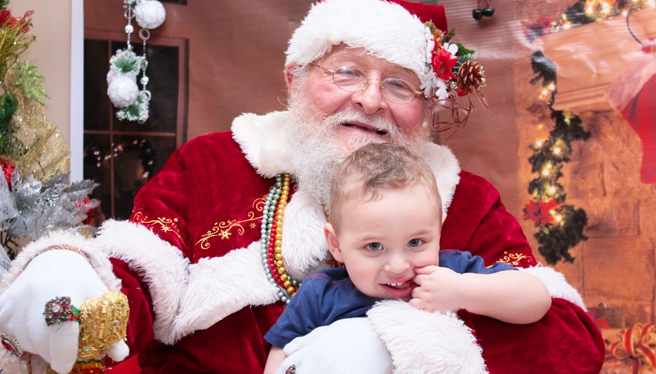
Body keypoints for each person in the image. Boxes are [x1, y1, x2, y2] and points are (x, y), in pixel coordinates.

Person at [0, 0, 604, 373]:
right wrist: (73, 277)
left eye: (400, 85)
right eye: (347, 71)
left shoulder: (465, 201)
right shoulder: (213, 163)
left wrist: (395, 351)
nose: (370, 99)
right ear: (295, 77)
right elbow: (131, 279)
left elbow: (570, 345)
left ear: (427, 108)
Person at [263, 143, 553, 374]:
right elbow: (283, 353)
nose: (399, 266)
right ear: (336, 245)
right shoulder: (321, 294)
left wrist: (464, 291)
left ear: (439, 229)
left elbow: (537, 300)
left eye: (415, 242)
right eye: (374, 246)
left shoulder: (452, 271)